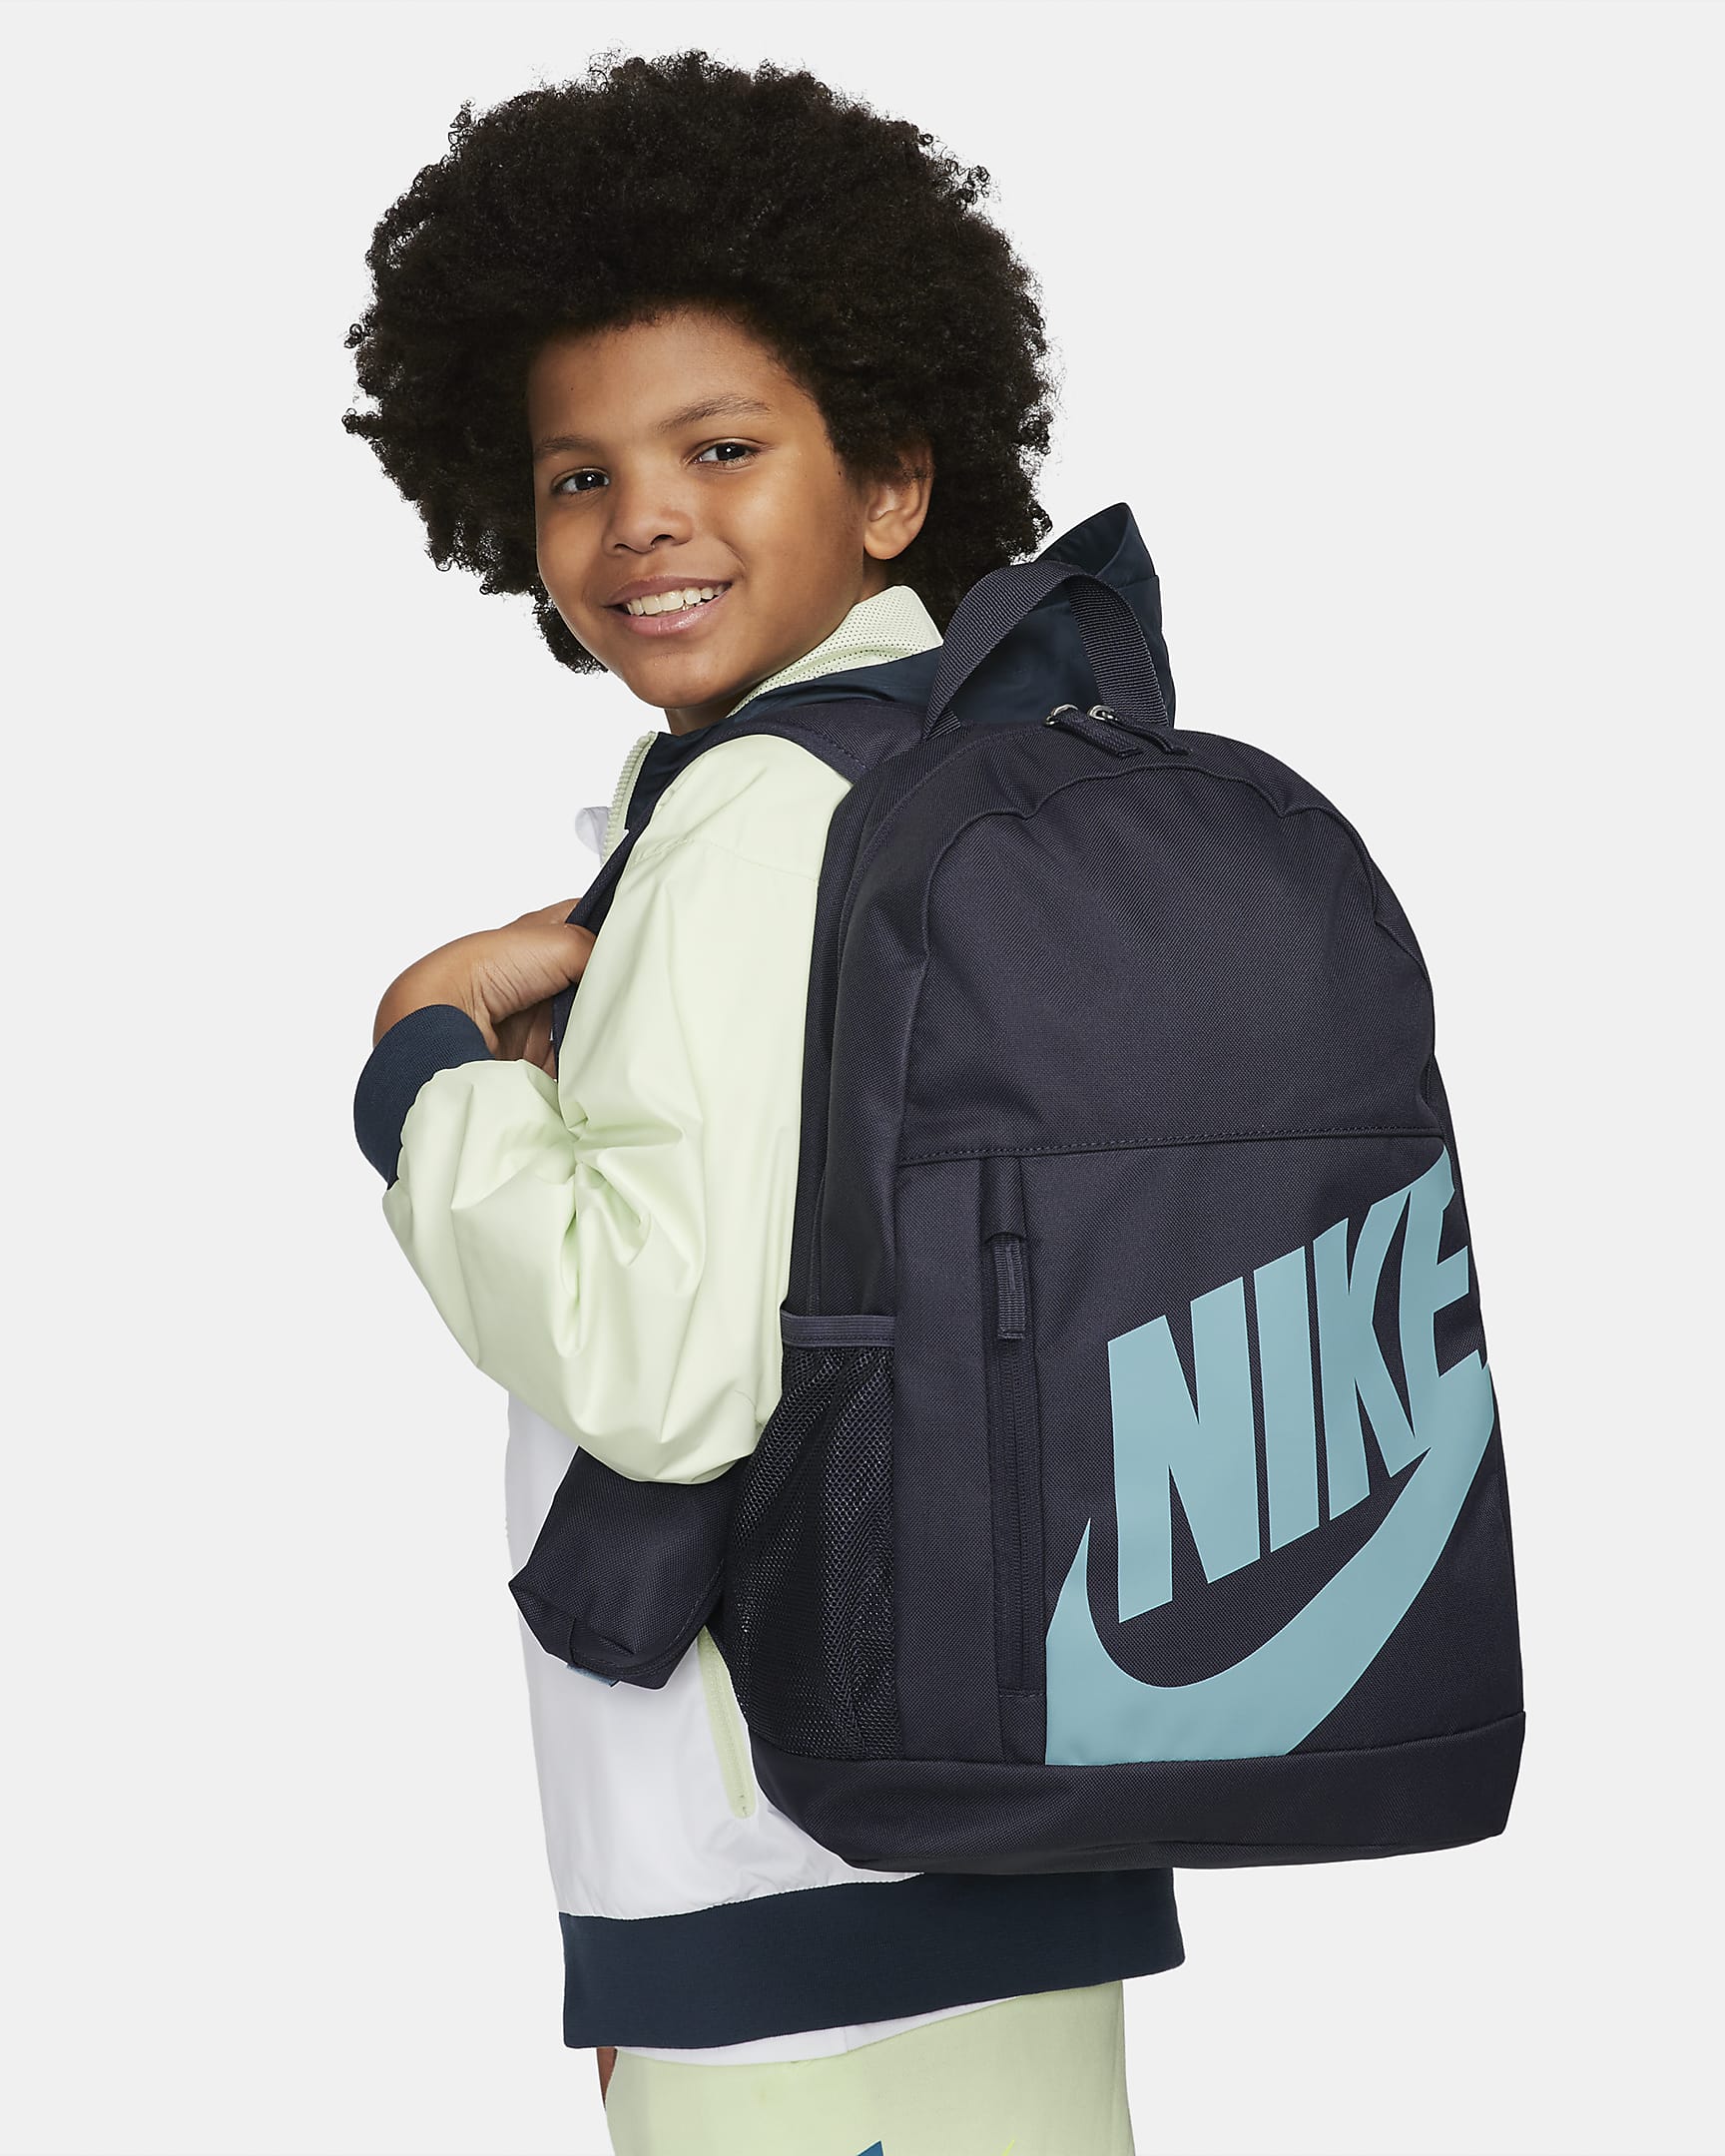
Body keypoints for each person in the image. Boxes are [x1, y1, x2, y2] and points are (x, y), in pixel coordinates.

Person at [346, 49, 1182, 2154]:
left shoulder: (749, 820)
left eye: (721, 447)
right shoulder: (969, 760)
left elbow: (660, 1366)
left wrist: (426, 1068)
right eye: (577, 475)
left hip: (779, 1850)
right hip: (1018, 1776)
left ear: (891, 481)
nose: (641, 521)